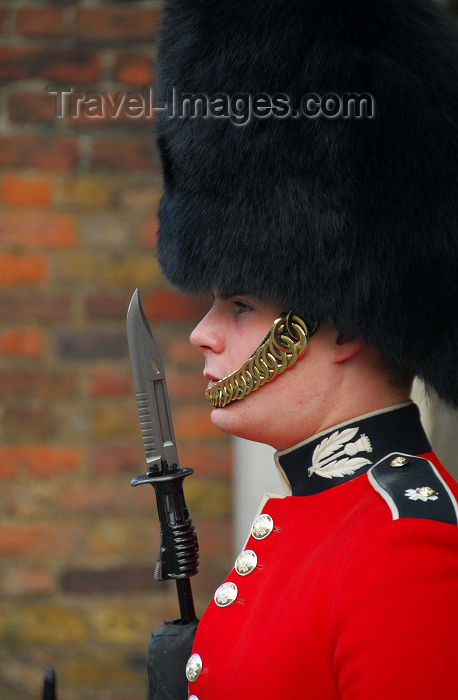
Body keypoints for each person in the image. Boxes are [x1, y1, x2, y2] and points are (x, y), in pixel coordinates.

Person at [151, 0, 458, 697]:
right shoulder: (323, 519)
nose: (203, 331)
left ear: (343, 326)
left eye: (240, 305)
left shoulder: (405, 547)